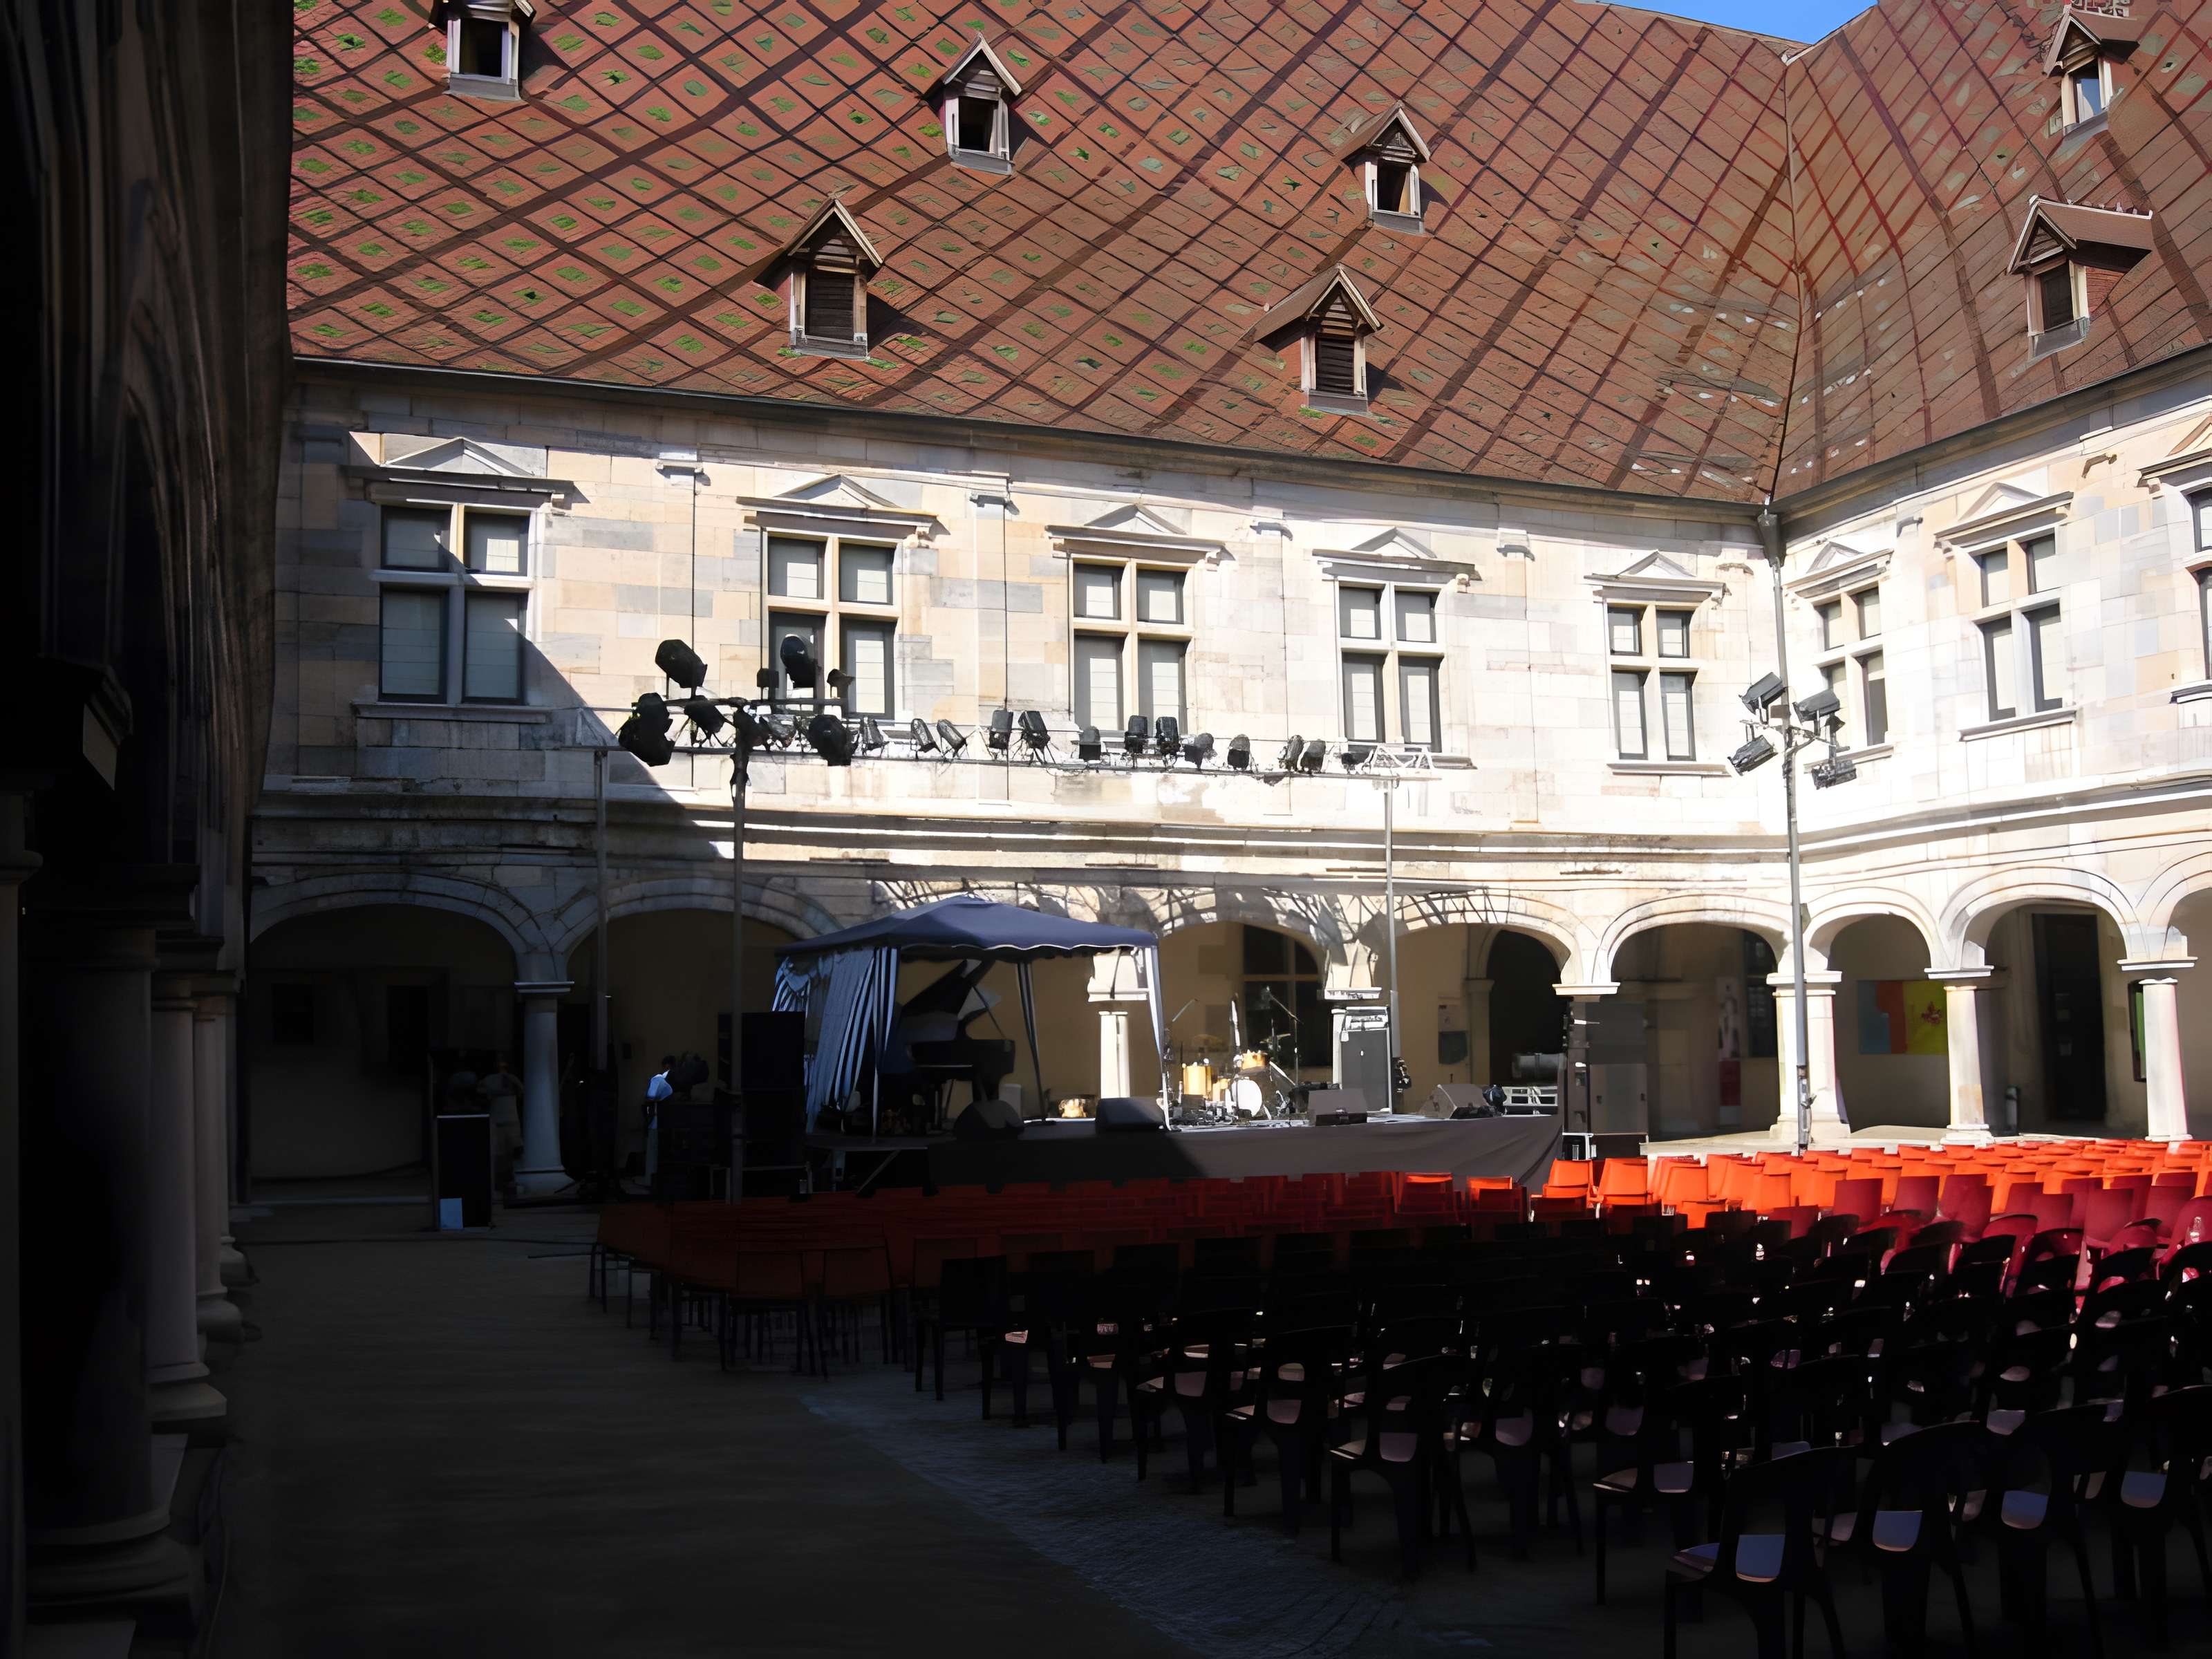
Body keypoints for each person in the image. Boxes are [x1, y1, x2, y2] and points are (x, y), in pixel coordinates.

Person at [478, 1053, 523, 1195]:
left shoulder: (512, 1079)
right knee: (498, 1155)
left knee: (513, 1153)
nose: (501, 1066)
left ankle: (510, 1182)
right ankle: (499, 1183)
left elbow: (521, 1090)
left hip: (511, 1122)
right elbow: (481, 1092)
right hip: (497, 1122)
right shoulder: (489, 1080)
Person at [644, 1055, 675, 1183]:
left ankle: (654, 1180)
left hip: (659, 1120)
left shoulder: (661, 1080)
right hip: (659, 1120)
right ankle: (654, 1179)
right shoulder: (663, 1080)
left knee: (655, 1150)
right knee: (656, 1150)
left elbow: (651, 1097)